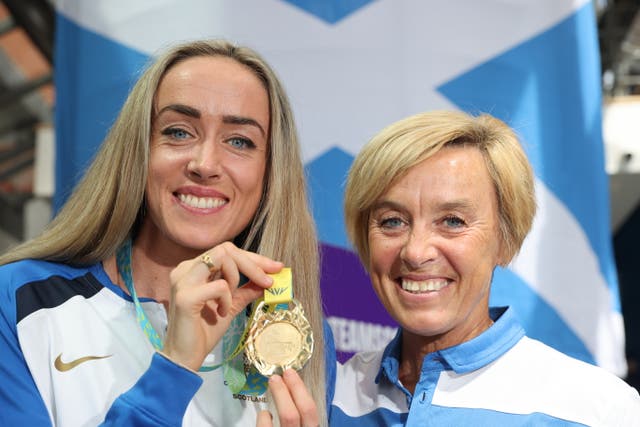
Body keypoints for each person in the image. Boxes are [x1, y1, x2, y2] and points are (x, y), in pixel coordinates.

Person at [0, 39, 333, 426]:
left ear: (270, 172)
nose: (205, 164)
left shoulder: (292, 336)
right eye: (178, 132)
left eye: (239, 141)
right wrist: (174, 368)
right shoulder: (21, 298)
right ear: (138, 149)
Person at [328, 110, 640, 425]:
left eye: (452, 221)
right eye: (392, 221)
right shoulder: (328, 397)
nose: (415, 252)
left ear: (506, 241)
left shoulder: (597, 410)